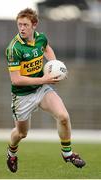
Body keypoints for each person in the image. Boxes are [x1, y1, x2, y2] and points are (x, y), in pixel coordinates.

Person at [5, 8, 86, 173]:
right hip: (22, 96)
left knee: (63, 116)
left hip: (42, 89)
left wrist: (56, 66)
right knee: (21, 134)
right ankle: (11, 152)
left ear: (34, 25)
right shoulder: (14, 48)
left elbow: (47, 49)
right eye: (19, 24)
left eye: (25, 25)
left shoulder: (40, 38)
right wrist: (44, 78)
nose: (21, 28)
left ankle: (67, 153)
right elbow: (16, 80)